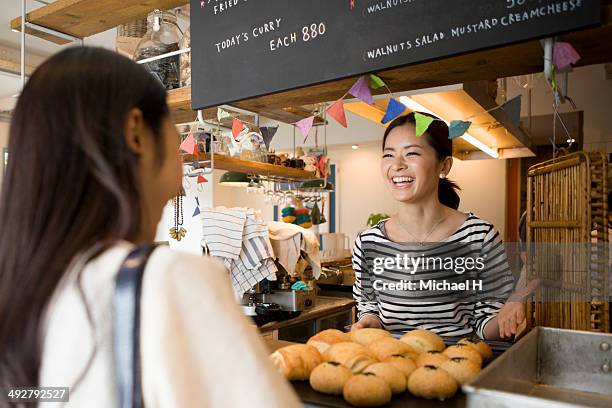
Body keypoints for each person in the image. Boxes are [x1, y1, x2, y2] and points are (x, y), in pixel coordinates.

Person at [0, 47, 300, 407]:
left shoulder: (21, 284)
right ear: (136, 133)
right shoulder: (168, 278)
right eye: (172, 125)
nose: (181, 147)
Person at [351, 113, 524, 340]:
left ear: (444, 165)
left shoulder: (479, 237)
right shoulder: (368, 242)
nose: (397, 165)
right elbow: (369, 307)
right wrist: (369, 322)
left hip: (455, 366)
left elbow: (485, 322)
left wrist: (507, 317)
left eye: (411, 153)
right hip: (391, 365)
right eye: (388, 155)